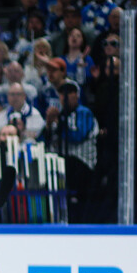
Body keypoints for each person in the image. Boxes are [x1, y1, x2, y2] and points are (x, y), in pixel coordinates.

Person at [47, 80, 100, 223]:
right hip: (64, 163)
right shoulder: (60, 114)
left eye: (70, 93)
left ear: (76, 95)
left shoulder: (84, 113)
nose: (65, 97)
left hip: (83, 161)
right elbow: (50, 140)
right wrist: (49, 122)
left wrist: (60, 124)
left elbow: (79, 135)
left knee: (70, 163)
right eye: (62, 94)